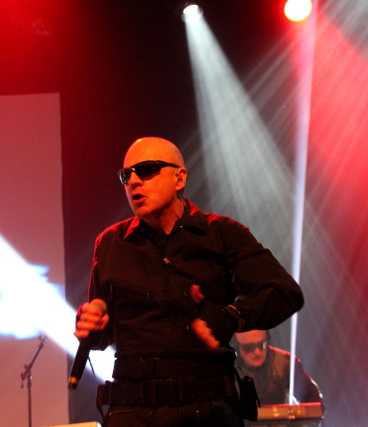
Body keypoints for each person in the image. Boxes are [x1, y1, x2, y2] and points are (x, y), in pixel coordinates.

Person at [74, 136, 305, 427]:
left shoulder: (222, 234)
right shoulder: (110, 244)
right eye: (125, 175)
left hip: (207, 410)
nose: (133, 181)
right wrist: (91, 328)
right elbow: (102, 334)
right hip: (133, 411)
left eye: (146, 169)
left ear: (179, 178)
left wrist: (233, 316)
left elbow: (285, 292)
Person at [234, 329, 323, 407]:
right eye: (249, 347)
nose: (257, 352)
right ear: (237, 346)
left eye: (262, 345)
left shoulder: (285, 363)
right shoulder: (227, 367)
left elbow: (312, 397)